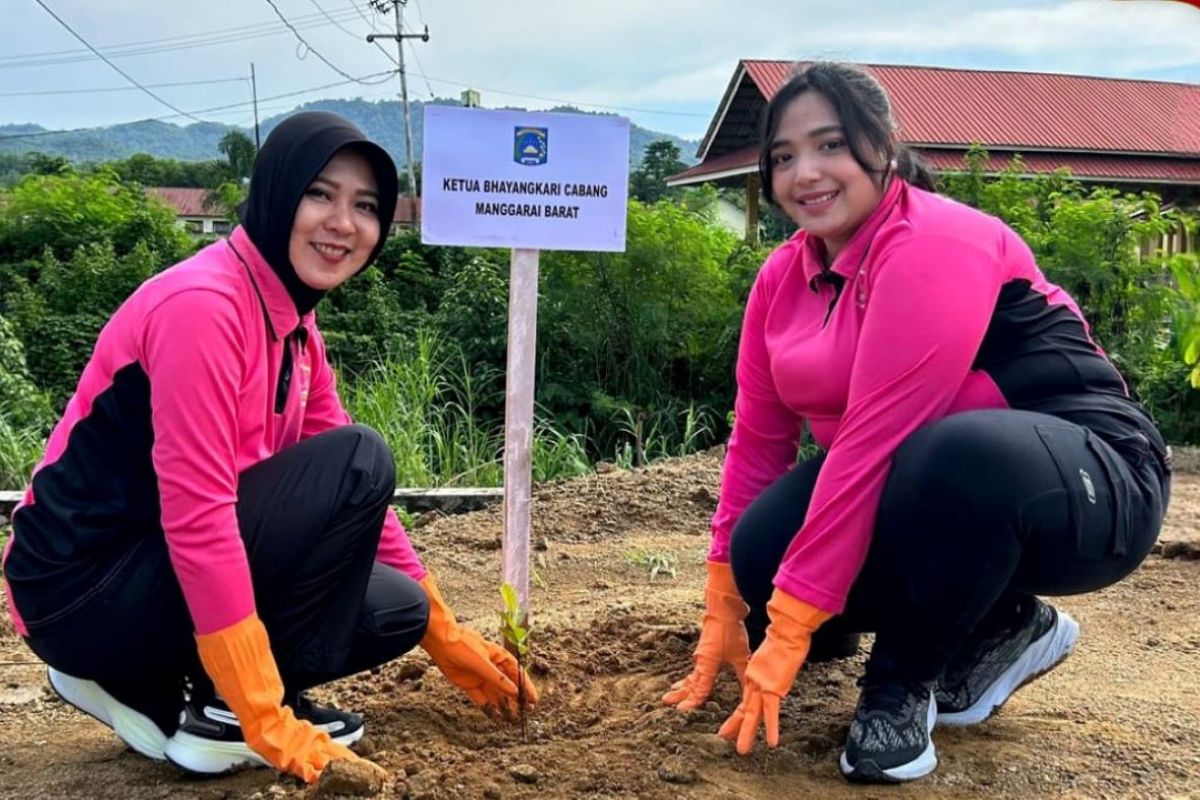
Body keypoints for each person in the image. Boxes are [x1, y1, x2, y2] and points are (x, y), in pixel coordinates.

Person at [662, 62, 1170, 784]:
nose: (805, 172)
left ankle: (901, 682)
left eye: (830, 145)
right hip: (925, 484)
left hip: (1094, 480)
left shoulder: (937, 243)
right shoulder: (781, 277)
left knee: (948, 456)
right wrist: (729, 608)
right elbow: (757, 444)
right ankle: (1004, 623)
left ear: (886, 145)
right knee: (763, 550)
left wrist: (791, 631)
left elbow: (875, 443)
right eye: (783, 156)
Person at [1, 111, 536, 784]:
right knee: (361, 457)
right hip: (80, 588)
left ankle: (179, 690)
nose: (343, 222)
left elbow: (357, 509)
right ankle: (218, 707)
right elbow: (201, 515)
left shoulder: (295, 329)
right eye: (321, 193)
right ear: (277, 193)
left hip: (150, 570)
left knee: (394, 606)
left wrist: (446, 635)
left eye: (365, 205)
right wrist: (265, 716)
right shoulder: (203, 306)